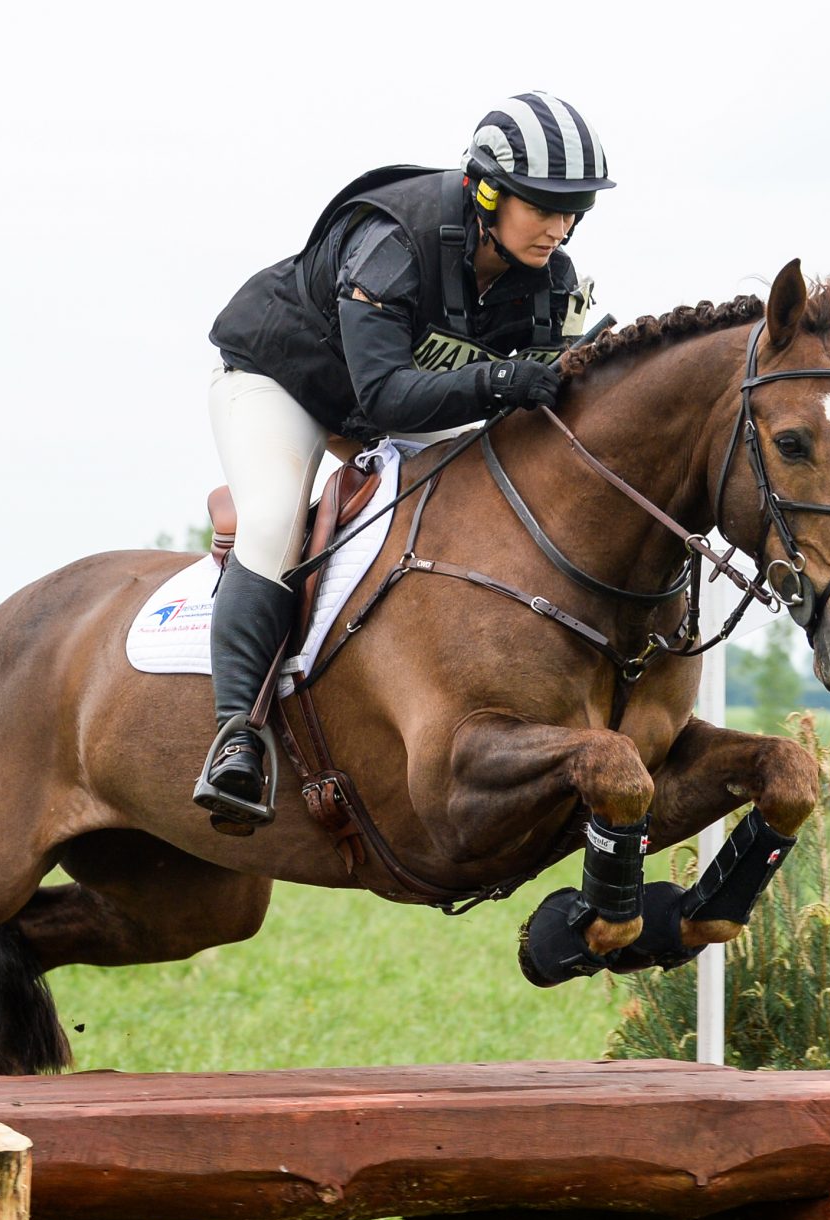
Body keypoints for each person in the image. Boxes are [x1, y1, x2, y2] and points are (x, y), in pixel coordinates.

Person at [196, 92, 615, 826]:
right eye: (544, 207)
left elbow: (538, 401)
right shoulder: (393, 240)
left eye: (574, 210)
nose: (560, 228)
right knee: (273, 521)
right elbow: (387, 396)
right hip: (283, 384)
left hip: (383, 406)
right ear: (487, 192)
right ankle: (238, 738)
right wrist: (498, 380)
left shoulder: (550, 278)